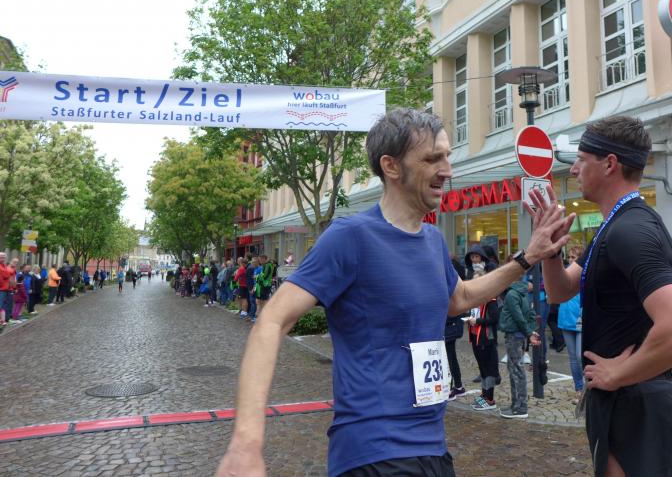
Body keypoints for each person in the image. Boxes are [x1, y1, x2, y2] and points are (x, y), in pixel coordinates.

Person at [215, 108, 567, 477]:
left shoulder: (432, 240)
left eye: (447, 157)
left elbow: (459, 299)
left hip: (432, 446)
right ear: (391, 166)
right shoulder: (350, 236)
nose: (447, 170)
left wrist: (527, 257)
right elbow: (271, 320)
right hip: (373, 451)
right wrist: (246, 444)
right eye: (432, 159)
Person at [537, 115, 672, 477]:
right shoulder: (613, 226)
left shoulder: (631, 230)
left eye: (582, 159)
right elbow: (560, 290)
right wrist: (550, 251)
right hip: (631, 398)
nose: (574, 169)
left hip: (639, 402)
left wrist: (619, 374)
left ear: (609, 164)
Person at [498, 274, 535, 418]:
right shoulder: (521, 293)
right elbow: (529, 314)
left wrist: (529, 332)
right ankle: (516, 404)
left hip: (514, 335)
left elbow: (519, 316)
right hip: (517, 334)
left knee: (516, 370)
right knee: (515, 369)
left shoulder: (512, 294)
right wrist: (530, 331)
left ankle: (520, 407)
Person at [466, 263, 500, 411]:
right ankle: (484, 394)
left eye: (477, 281)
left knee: (489, 368)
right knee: (482, 368)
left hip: (486, 338)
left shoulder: (490, 298)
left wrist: (477, 321)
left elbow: (494, 318)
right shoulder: (474, 298)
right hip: (475, 337)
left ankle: (490, 399)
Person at [558, 245, 585, 399]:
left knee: (580, 356)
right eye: (569, 257)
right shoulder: (564, 273)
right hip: (566, 317)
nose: (570, 260)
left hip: (581, 319)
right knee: (573, 358)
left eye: (573, 257)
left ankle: (586, 386)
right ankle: (579, 388)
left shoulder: (585, 273)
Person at [445, 256, 467, 401]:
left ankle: (455, 387)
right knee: (450, 356)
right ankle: (457, 386)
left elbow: (454, 310)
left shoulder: (453, 287)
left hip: (450, 326)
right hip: (450, 326)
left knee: (450, 357)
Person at [0, 253, 15, 326]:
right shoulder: (2, 267)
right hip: (2, 288)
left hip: (6, 288)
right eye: (1, 257)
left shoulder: (5, 266)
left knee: (4, 305)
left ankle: (3, 320)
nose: (2, 258)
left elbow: (8, 276)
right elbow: (6, 275)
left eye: (4, 257)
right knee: (1, 305)